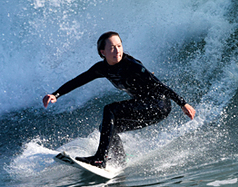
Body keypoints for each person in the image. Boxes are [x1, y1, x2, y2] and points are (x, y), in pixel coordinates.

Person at [43, 31, 196, 169]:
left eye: (119, 46)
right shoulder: (102, 68)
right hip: (144, 106)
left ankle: (99, 159)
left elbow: (159, 85)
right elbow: (78, 80)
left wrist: (182, 103)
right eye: (112, 48)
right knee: (107, 127)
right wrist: (55, 95)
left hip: (158, 105)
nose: (117, 50)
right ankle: (120, 160)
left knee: (109, 109)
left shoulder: (133, 66)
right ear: (102, 52)